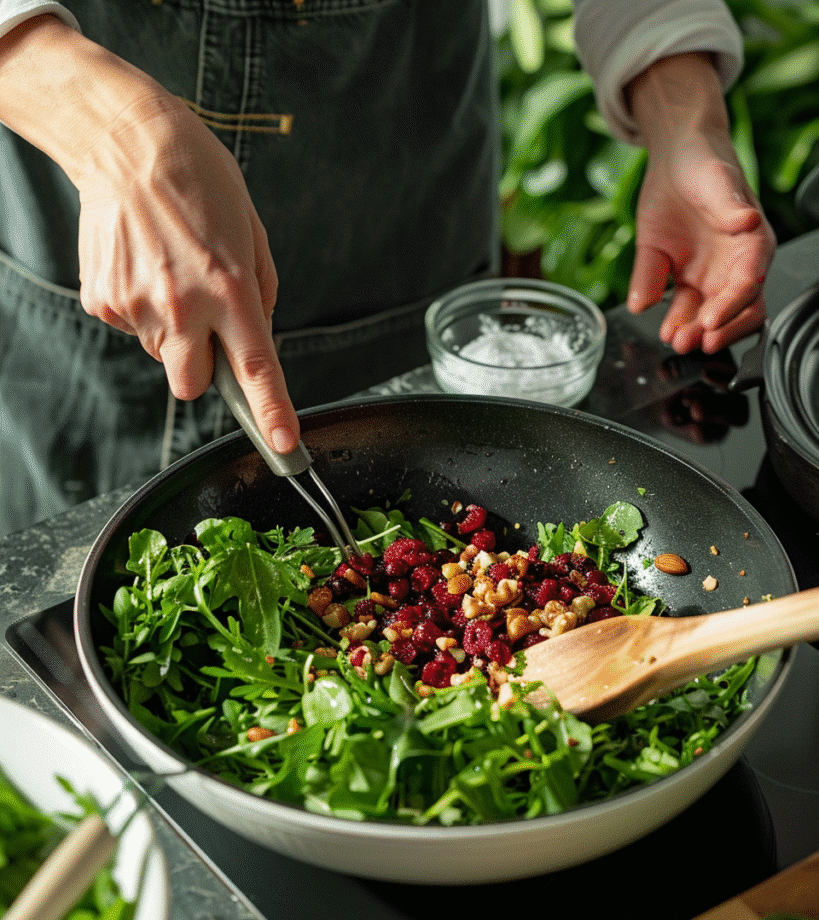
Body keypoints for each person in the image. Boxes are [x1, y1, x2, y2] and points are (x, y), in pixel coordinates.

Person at [0, 0, 775, 536]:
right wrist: (120, 136)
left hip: (405, 169)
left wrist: (683, 116)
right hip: (73, 168)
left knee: (433, 495)